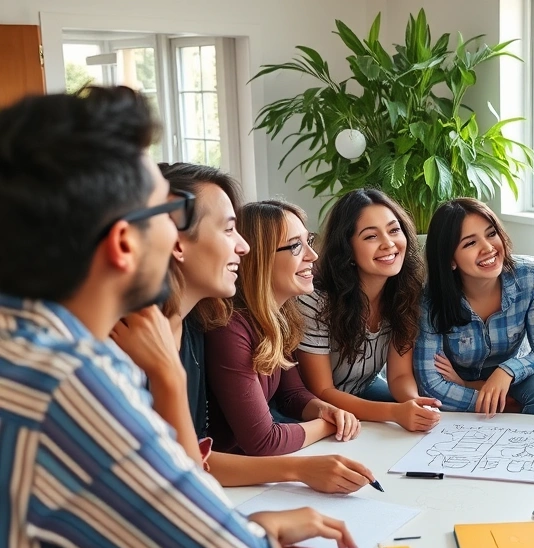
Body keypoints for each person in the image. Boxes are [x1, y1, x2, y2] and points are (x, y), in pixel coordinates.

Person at [0, 87, 354, 548]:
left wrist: (242, 529)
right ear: (125, 243)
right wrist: (253, 539)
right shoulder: (71, 381)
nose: (244, 248)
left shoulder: (22, 339)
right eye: (165, 217)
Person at [113, 162, 376, 492]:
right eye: (227, 230)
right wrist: (300, 466)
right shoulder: (136, 339)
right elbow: (161, 471)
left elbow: (189, 458)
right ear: (174, 241)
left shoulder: (192, 327)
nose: (244, 247)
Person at [205, 200, 360, 456]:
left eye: (308, 240)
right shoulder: (230, 328)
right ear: (259, 257)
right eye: (296, 246)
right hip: (234, 479)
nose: (313, 255)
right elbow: (264, 441)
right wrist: (326, 425)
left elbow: (292, 394)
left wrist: (324, 409)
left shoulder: (279, 315)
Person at [296, 189, 442, 432]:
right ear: (348, 249)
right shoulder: (314, 302)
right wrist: (395, 412)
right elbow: (321, 391)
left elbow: (398, 376)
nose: (389, 243)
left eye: (394, 230)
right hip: (316, 407)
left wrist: (412, 402)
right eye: (371, 236)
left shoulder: (406, 292)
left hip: (364, 391)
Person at [414, 198, 534, 416]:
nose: (488, 247)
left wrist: (507, 371)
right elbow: (431, 385)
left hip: (512, 378)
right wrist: (494, 399)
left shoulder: (530, 278)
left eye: (491, 234)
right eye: (470, 243)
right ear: (450, 260)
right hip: (456, 383)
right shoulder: (430, 299)